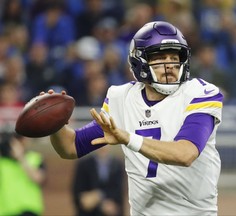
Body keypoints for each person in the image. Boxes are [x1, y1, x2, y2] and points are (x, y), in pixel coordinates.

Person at [45, 21, 224, 215]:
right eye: (160, 58)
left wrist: (128, 138)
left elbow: (186, 153)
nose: (170, 65)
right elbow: (71, 146)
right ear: (140, 62)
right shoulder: (122, 98)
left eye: (174, 57)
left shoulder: (199, 93)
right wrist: (53, 123)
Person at [0, 132, 46, 216]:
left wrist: (21, 158)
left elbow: (38, 178)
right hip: (6, 211)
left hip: (29, 210)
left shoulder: (35, 158)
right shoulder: (2, 163)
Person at [71, 147, 125, 216]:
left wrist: (98, 196)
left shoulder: (118, 165)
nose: (102, 147)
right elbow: (78, 193)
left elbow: (118, 191)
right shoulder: (83, 164)